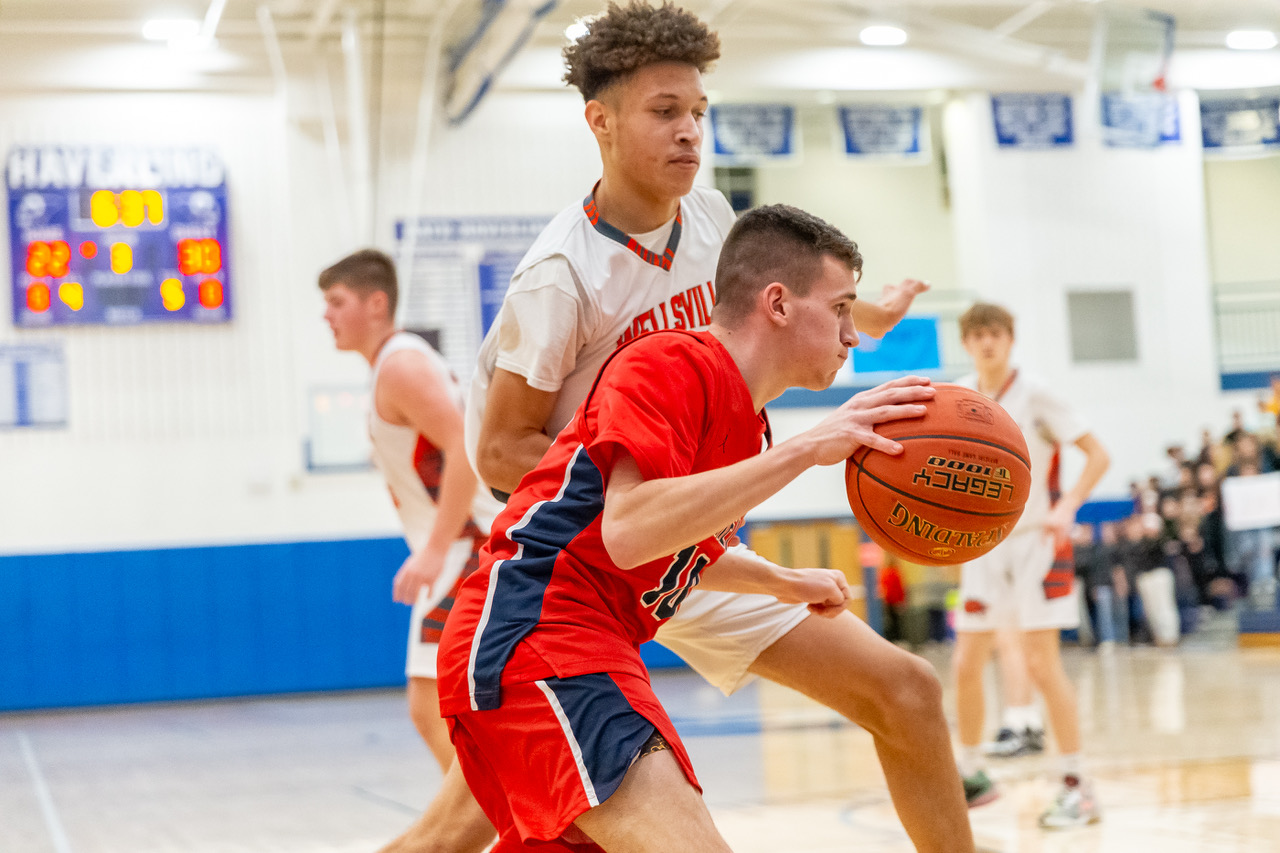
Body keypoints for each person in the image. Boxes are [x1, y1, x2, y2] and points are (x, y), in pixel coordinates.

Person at [385, 5, 961, 852]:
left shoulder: (714, 223)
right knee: (472, 823)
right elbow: (500, 449)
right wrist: (646, 489)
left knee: (905, 690)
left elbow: (787, 293)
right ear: (602, 121)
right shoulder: (561, 276)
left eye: (698, 111)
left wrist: (866, 312)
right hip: (592, 557)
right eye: (665, 112)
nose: (690, 131)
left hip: (685, 547)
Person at [437, 203, 950, 853]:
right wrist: (805, 449)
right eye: (842, 308)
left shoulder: (745, 417)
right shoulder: (672, 363)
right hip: (539, 635)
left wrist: (780, 580)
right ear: (779, 303)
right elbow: (628, 529)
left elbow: (676, 546)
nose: (854, 335)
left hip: (582, 644)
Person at [318, 249, 501, 774]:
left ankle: (491, 825)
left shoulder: (400, 365)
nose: (326, 315)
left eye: (336, 301)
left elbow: (462, 447)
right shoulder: (396, 364)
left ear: (376, 304)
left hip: (469, 546)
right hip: (469, 543)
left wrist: (436, 549)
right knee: (455, 708)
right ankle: (501, 822)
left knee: (430, 706)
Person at [949, 302, 1111, 829]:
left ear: (1010, 339)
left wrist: (1068, 507)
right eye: (977, 335)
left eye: (995, 333)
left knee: (1042, 664)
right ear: (966, 343)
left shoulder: (1037, 393)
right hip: (980, 542)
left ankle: (1076, 784)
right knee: (965, 664)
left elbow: (1097, 454)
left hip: (1037, 541)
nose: (987, 342)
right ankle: (972, 775)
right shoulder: (958, 395)